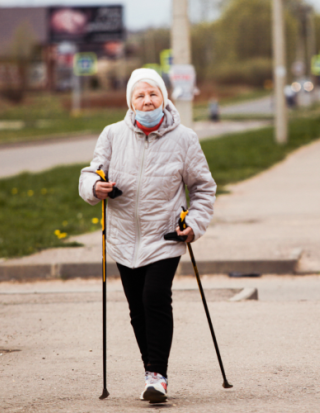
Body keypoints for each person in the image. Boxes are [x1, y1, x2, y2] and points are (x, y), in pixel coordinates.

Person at [78, 68, 217, 403]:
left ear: (164, 98)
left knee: (155, 298)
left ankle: (158, 375)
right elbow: (90, 173)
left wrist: (194, 226)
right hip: (124, 237)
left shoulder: (185, 139)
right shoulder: (112, 134)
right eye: (139, 95)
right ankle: (150, 371)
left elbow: (203, 188)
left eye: (153, 94)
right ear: (131, 101)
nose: (147, 100)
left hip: (165, 236)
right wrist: (95, 187)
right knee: (137, 309)